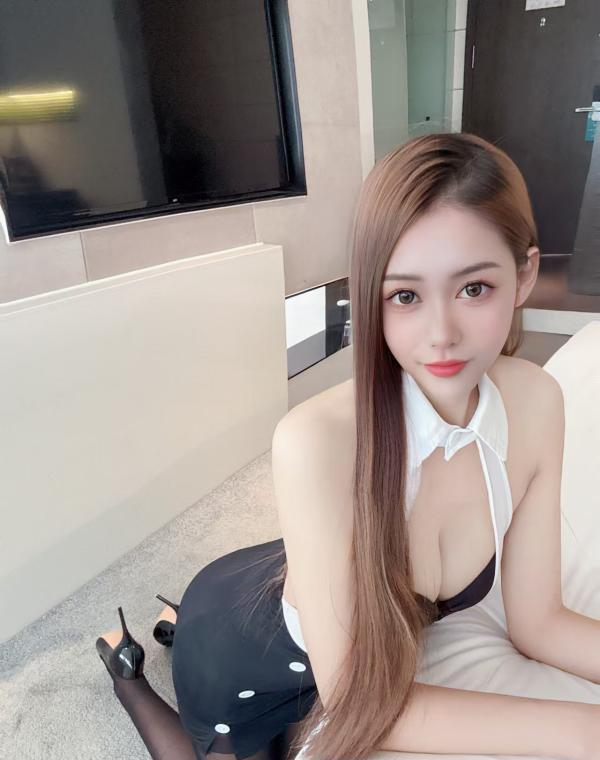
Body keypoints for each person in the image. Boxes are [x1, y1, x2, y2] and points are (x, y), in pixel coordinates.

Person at [94, 131, 572, 760]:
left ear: (525, 274)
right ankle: (127, 674)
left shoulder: (536, 403)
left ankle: (174, 625)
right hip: (239, 659)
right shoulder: (315, 439)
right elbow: (357, 704)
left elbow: (541, 623)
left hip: (291, 602)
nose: (442, 334)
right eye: (405, 295)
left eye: (474, 288)